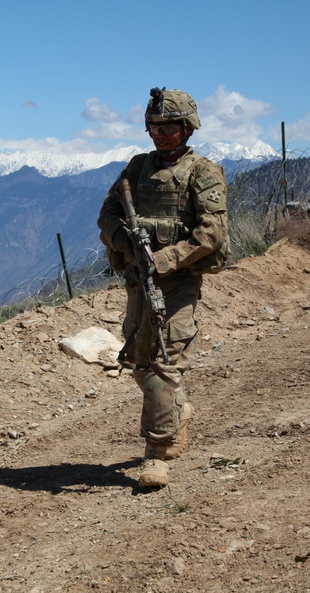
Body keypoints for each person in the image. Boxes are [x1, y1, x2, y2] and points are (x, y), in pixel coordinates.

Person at [97, 87, 229, 489]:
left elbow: (212, 234)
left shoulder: (202, 172)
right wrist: (124, 244)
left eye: (169, 128)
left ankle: (157, 454)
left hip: (178, 282)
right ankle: (178, 409)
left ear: (186, 129)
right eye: (154, 127)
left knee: (163, 364)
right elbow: (108, 215)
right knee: (138, 358)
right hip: (139, 278)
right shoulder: (136, 169)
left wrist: (164, 259)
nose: (161, 135)